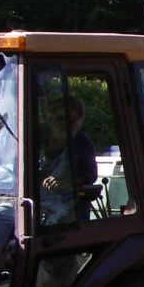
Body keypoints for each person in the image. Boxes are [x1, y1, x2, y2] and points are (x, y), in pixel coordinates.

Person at [38, 95, 98, 225]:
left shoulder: (82, 142)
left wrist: (68, 180)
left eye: (72, 121)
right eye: (61, 119)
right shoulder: (35, 137)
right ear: (50, 117)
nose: (65, 125)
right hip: (30, 200)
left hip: (66, 205)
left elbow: (91, 175)